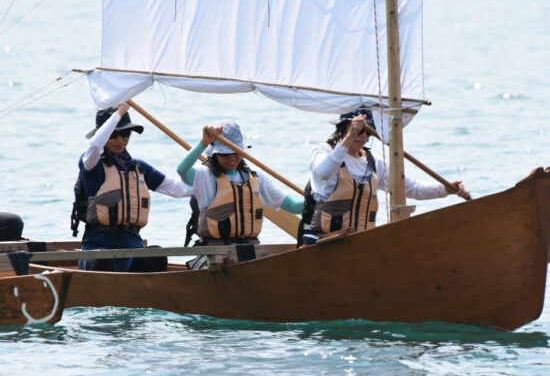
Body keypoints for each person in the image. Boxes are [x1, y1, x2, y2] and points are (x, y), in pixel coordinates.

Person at [299, 107, 470, 245]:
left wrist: (447, 189)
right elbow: (323, 172)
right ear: (343, 128)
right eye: (358, 131)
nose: (363, 136)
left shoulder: (375, 163)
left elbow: (413, 189)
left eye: (367, 131)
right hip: (322, 242)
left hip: (360, 242)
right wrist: (350, 135)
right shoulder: (323, 151)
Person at [76, 102, 192, 272]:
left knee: (157, 255)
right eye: (114, 134)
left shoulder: (139, 167)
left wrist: (210, 175)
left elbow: (179, 189)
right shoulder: (92, 164)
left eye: (126, 134)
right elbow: (94, 146)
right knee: (102, 260)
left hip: (132, 246)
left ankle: (145, 296)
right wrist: (120, 112)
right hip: (98, 247)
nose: (120, 140)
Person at [177, 120, 303, 268]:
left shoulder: (256, 177)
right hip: (216, 254)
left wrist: (317, 198)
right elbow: (182, 170)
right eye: (225, 154)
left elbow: (292, 206)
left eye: (236, 152)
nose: (232, 158)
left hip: (250, 251)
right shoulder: (204, 175)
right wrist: (203, 143)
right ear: (214, 154)